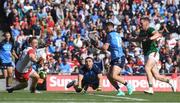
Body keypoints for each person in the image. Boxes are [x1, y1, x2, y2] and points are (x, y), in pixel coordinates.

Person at [128, 17, 176, 94]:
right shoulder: (142, 31)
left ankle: (150, 88)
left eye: (141, 22)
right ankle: (170, 81)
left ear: (146, 23)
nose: (140, 24)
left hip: (153, 52)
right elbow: (139, 39)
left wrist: (149, 39)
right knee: (157, 76)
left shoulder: (150, 29)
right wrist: (131, 39)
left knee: (147, 68)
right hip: (146, 54)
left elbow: (158, 34)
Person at [102, 22, 134, 96]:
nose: (105, 30)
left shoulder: (109, 35)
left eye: (105, 29)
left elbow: (104, 48)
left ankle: (129, 85)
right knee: (109, 76)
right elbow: (115, 47)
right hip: (116, 57)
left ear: (108, 28)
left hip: (118, 57)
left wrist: (99, 46)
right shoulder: (117, 34)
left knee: (113, 75)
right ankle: (120, 91)